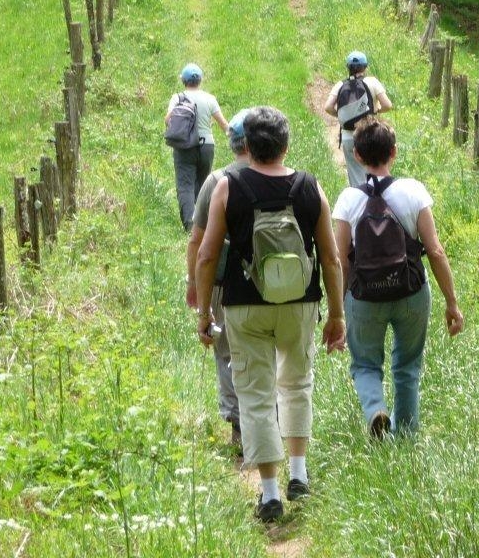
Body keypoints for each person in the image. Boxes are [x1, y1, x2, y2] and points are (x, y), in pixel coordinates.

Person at [195, 106, 345, 524]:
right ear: (286, 145)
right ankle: (299, 472)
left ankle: (270, 493)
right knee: (297, 384)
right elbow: (331, 258)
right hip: (300, 303)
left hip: (245, 305)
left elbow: (207, 255)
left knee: (256, 395)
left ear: (248, 145)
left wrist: (205, 312)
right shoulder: (309, 187)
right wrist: (336, 314)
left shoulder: (228, 186)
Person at [332, 116, 464, 439]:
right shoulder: (414, 191)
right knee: (407, 367)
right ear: (394, 152)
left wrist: (337, 308)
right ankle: (404, 436)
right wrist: (452, 303)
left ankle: (376, 409)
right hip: (411, 293)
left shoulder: (349, 200)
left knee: (365, 365)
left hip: (364, 298)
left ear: (358, 156)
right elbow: (435, 252)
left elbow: (340, 262)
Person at [186, 109, 251, 454]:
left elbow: (197, 242)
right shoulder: (273, 176)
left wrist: (195, 283)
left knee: (226, 352)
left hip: (224, 282)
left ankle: (239, 424)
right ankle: (265, 418)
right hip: (267, 283)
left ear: (232, 143)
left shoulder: (216, 181)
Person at [165, 63, 228, 231]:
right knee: (202, 184)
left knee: (185, 185)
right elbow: (224, 125)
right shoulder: (210, 99)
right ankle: (203, 224)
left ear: (183, 81)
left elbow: (168, 120)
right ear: (200, 80)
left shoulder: (178, 98)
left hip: (185, 146)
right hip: (206, 146)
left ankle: (190, 225)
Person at [323, 51, 392, 187]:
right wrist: (375, 111)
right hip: (371, 135)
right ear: (365, 67)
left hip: (349, 137)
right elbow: (387, 105)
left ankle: (360, 204)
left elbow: (328, 107)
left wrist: (343, 116)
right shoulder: (372, 82)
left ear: (348, 67)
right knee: (375, 172)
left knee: (356, 179)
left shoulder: (340, 85)